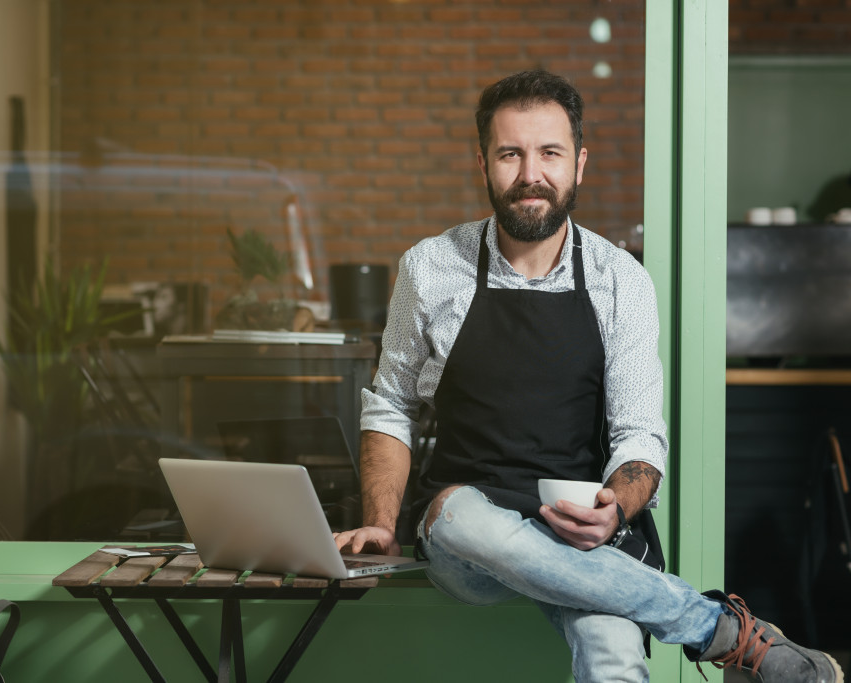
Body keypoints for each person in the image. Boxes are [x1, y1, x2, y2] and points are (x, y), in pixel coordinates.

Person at [333, 70, 842, 683]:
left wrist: (614, 511)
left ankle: (707, 628)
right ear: (483, 162)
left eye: (549, 153)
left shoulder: (619, 279)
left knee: (615, 655)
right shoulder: (431, 268)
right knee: (460, 513)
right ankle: (722, 632)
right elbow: (390, 407)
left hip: (584, 537)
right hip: (467, 539)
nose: (530, 174)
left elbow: (639, 438)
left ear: (580, 163)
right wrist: (383, 526)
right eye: (510, 154)